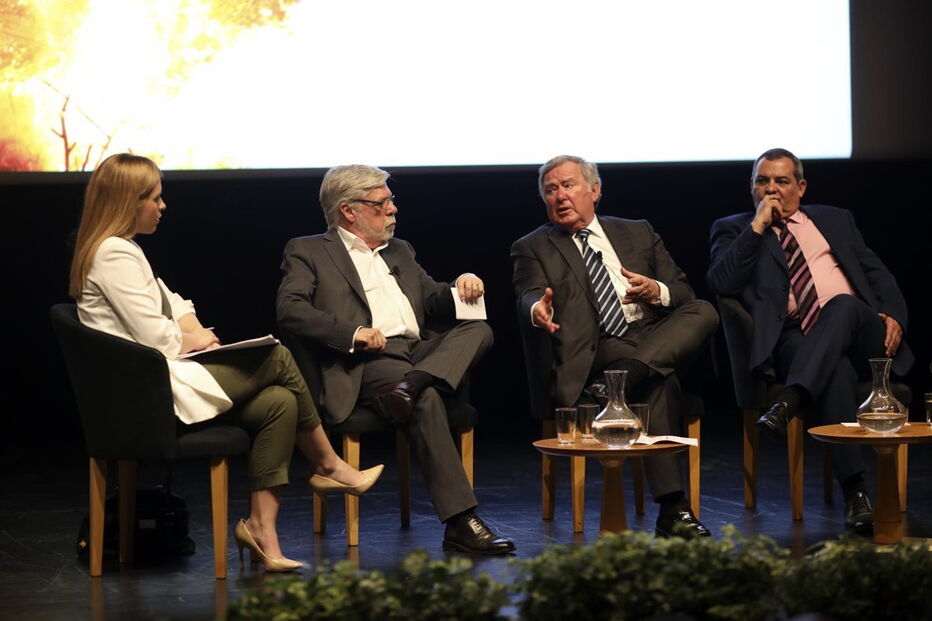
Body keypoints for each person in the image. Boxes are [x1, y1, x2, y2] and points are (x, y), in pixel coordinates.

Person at [70, 153, 382, 572]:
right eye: (155, 199)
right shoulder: (113, 254)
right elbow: (155, 337)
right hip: (145, 396)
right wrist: (195, 338)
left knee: (278, 402)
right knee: (277, 356)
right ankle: (328, 463)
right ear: (130, 200)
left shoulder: (124, 249)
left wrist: (190, 325)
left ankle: (261, 530)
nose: (163, 207)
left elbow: (173, 302)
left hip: (157, 380)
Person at [276, 164, 514, 555]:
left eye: (391, 200)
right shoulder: (309, 250)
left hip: (416, 354)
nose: (393, 210)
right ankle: (460, 521)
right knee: (427, 400)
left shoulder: (400, 250)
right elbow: (290, 309)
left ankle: (412, 385)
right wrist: (352, 334)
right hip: (369, 359)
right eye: (382, 202)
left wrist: (461, 285)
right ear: (348, 210)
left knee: (479, 329)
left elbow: (432, 299)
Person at [511, 155, 719, 539]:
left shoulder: (637, 231)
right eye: (550, 190)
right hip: (596, 352)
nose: (559, 196)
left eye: (568, 185)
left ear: (595, 190)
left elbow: (683, 292)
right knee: (659, 381)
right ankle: (673, 507)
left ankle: (626, 379)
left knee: (703, 310)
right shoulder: (533, 246)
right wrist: (537, 309)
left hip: (653, 338)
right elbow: (528, 293)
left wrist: (655, 290)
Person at [707, 147, 913, 532]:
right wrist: (757, 227)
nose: (772, 190)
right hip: (794, 338)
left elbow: (879, 274)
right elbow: (722, 282)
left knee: (844, 305)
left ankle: (788, 400)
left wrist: (896, 317)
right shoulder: (734, 228)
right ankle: (857, 495)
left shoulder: (834, 220)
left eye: (781, 181)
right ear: (750, 188)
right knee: (831, 369)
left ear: (800, 187)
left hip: (863, 335)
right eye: (762, 181)